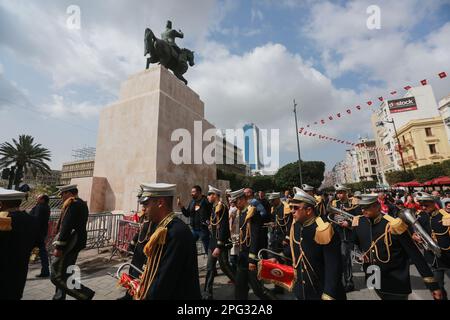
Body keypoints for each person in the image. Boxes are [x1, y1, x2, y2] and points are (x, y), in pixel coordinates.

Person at [352, 194, 443, 300]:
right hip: (373, 275)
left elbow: (415, 255)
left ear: (377, 206)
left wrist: (433, 286)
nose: (363, 211)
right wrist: (360, 254)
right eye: (361, 208)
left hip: (396, 279)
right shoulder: (359, 222)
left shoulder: (394, 225)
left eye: (367, 207)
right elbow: (353, 243)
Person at [134, 183, 201, 300]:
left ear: (160, 203)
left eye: (146, 203)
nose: (143, 208)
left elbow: (164, 281)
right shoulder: (162, 227)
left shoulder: (176, 232)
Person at [277, 188, 345, 300]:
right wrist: (278, 257)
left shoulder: (323, 228)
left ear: (308, 210)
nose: (292, 211)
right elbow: (295, 248)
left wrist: (329, 293)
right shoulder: (297, 226)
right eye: (291, 207)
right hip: (303, 290)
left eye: (296, 208)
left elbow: (333, 266)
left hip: (321, 290)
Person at [51, 184, 95, 300]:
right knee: (65, 273)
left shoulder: (73, 204)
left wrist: (59, 247)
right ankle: (59, 297)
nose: (61, 197)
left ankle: (85, 294)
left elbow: (67, 226)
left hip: (70, 243)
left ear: (68, 193)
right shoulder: (81, 203)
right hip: (75, 242)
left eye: (62, 194)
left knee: (57, 275)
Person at [231, 188, 270, 300]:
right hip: (243, 255)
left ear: (242, 200)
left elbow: (255, 236)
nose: (234, 204)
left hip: (250, 257)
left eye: (236, 202)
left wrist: (252, 260)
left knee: (259, 290)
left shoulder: (252, 213)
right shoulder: (242, 212)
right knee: (240, 286)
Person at [0, 188, 37, 300]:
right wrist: (32, 258)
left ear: (1, 204)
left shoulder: (3, 220)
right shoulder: (32, 220)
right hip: (20, 269)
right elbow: (38, 244)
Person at [413, 192, 450, 300]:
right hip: (432, 258)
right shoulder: (420, 217)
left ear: (433, 203)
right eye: (421, 205)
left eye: (426, 205)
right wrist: (414, 236)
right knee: (437, 289)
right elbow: (415, 231)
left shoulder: (445, 216)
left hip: (447, 257)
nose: (423, 207)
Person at [117, 191, 152, 300]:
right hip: (138, 252)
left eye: (144, 203)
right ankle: (129, 295)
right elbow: (139, 232)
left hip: (146, 254)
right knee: (132, 273)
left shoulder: (153, 217)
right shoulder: (144, 215)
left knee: (140, 277)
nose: (142, 206)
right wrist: (130, 247)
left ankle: (135, 296)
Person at [330, 184, 359, 292]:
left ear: (346, 192)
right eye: (338, 192)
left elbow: (358, 217)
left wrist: (349, 223)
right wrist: (335, 218)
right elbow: (330, 216)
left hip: (348, 234)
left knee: (345, 259)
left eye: (341, 192)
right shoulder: (334, 203)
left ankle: (349, 282)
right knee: (339, 259)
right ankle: (342, 280)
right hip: (337, 234)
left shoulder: (353, 203)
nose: (339, 195)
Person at [203, 185, 229, 300]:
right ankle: (207, 293)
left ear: (214, 195)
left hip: (220, 244)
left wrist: (219, 246)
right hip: (212, 243)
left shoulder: (221, 207)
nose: (208, 197)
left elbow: (223, 228)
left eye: (209, 194)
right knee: (210, 268)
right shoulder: (214, 207)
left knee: (225, 267)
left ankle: (241, 284)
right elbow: (216, 226)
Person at [178, 185, 211, 254]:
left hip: (203, 229)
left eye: (193, 192)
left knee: (207, 248)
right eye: (191, 192)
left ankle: (211, 262)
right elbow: (187, 214)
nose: (191, 193)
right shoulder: (192, 202)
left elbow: (212, 212)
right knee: (189, 245)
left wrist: (209, 223)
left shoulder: (206, 201)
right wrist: (181, 207)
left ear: (199, 192)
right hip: (194, 230)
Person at [29, 194, 51, 277]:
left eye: (38, 197)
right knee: (42, 252)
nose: (36, 198)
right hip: (41, 233)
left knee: (25, 251)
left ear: (42, 199)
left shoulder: (40, 207)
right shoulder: (46, 207)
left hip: (35, 233)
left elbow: (35, 219)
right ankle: (45, 270)